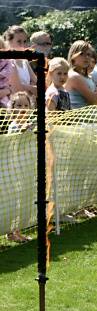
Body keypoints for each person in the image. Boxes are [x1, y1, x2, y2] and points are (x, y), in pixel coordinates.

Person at [6, 91, 34, 243]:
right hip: (15, 169)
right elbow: (15, 139)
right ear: (12, 108)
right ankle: (11, 232)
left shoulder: (29, 125)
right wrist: (25, 130)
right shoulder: (13, 125)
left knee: (23, 201)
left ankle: (17, 231)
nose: (22, 108)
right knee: (14, 201)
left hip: (26, 169)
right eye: (19, 105)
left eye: (25, 105)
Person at [65, 40, 97, 109]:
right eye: (82, 54)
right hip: (79, 118)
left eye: (89, 54)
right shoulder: (74, 76)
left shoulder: (87, 76)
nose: (86, 57)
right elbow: (96, 101)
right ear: (73, 55)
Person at [4, 25, 37, 98]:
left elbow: (37, 82)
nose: (23, 45)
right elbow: (17, 89)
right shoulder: (9, 61)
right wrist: (31, 88)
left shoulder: (25, 61)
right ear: (9, 42)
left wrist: (26, 87)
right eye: (19, 41)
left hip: (27, 105)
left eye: (25, 41)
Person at [0, 35, 13, 109]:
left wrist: (8, 90)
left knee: (5, 105)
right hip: (4, 91)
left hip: (3, 88)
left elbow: (6, 72)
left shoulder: (6, 61)